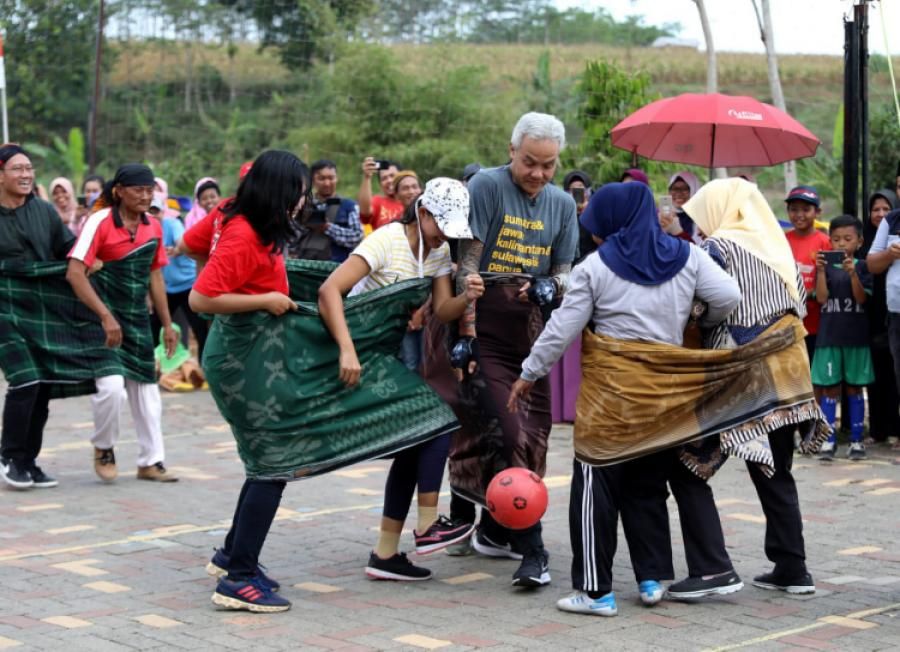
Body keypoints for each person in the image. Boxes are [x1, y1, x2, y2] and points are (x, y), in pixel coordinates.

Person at [506, 182, 741, 616]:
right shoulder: (687, 255)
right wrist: (700, 315)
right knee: (648, 487)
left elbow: (562, 329)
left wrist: (528, 373)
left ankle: (596, 593)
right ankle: (651, 580)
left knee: (595, 488)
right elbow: (729, 297)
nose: (595, 234)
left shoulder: (595, 268)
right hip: (661, 398)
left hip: (610, 402)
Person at [319, 177, 484, 581]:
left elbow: (443, 310)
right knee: (437, 419)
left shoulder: (439, 251)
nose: (448, 233)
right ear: (423, 212)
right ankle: (427, 526)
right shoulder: (385, 241)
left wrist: (468, 297)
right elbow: (329, 291)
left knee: (414, 442)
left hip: (384, 354)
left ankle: (386, 554)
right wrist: (346, 350)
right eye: (442, 222)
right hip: (357, 353)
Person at [449, 111, 578, 588]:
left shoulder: (563, 205)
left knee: (533, 438)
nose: (538, 174)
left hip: (534, 338)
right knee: (504, 430)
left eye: (548, 165)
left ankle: (496, 528)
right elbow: (465, 264)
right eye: (530, 162)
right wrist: (465, 329)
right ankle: (535, 551)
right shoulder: (486, 186)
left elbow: (567, 273)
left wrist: (549, 287)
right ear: (511, 151)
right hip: (486, 331)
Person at [679, 178, 818, 595]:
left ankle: (711, 567)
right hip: (791, 374)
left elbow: (699, 305)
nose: (700, 225)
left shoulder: (717, 250)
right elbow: (802, 305)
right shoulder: (781, 253)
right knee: (775, 471)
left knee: (688, 464)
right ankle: (793, 569)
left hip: (744, 375)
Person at [191, 150, 307, 613]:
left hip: (253, 355)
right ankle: (237, 580)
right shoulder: (241, 235)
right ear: (278, 191)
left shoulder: (262, 232)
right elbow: (201, 298)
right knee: (272, 463)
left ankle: (232, 558)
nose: (302, 200)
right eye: (296, 190)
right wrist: (265, 301)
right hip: (239, 361)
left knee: (264, 462)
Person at [67, 163, 180, 483]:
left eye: (150, 190)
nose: (146, 196)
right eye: (138, 190)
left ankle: (151, 461)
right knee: (111, 388)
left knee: (147, 391)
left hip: (135, 317)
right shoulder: (99, 222)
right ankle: (103, 448)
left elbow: (155, 275)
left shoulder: (153, 227)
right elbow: (75, 272)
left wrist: (168, 324)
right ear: (118, 192)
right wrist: (104, 316)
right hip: (99, 317)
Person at [0, 144, 75, 489]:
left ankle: (28, 461)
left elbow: (69, 250)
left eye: (29, 168)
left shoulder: (44, 211)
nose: (26, 174)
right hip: (4, 309)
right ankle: (9, 456)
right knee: (26, 378)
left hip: (41, 310)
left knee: (42, 384)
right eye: (17, 168)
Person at [813, 215, 873, 461]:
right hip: (829, 336)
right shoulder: (826, 266)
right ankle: (829, 441)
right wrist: (819, 272)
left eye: (847, 239)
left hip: (856, 337)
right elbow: (821, 299)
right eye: (836, 239)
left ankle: (857, 441)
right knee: (829, 388)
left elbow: (862, 298)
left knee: (855, 386)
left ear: (859, 241)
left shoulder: (864, 266)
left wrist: (852, 274)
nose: (841, 244)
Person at [148, 195, 209, 365]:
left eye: (156, 211)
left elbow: (182, 242)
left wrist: (176, 250)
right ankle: (150, 365)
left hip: (187, 285)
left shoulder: (172, 224)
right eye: (149, 212)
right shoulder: (145, 230)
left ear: (162, 212)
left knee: (199, 327)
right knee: (154, 326)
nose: (153, 216)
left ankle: (204, 367)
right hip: (166, 288)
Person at [860, 189, 899, 445]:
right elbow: (871, 264)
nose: (880, 213)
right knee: (891, 373)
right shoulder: (890, 224)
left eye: (885, 208)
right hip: (887, 313)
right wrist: (890, 254)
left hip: (890, 311)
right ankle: (882, 429)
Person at [784, 185, 831, 364]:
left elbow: (832, 280)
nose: (799, 215)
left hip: (818, 324)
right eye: (794, 210)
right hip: (789, 324)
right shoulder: (781, 240)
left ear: (817, 212)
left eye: (806, 209)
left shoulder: (825, 242)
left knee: (816, 378)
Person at [289, 160, 362, 263]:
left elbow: (356, 237)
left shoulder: (349, 206)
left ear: (337, 178)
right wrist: (304, 223)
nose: (327, 183)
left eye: (331, 178)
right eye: (321, 178)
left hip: (336, 266)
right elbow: (289, 237)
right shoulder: (302, 205)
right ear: (312, 180)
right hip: (304, 264)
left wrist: (327, 228)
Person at [358, 157, 402, 230]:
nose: (389, 180)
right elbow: (365, 212)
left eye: (392, 176)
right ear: (380, 184)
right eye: (384, 178)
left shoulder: (411, 201)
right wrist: (367, 177)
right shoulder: (378, 201)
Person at [659, 171, 701, 243]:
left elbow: (698, 252)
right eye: (674, 189)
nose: (678, 194)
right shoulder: (664, 214)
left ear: (694, 190)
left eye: (684, 189)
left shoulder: (700, 218)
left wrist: (678, 232)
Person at [562, 170, 593, 263]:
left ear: (588, 191)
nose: (577, 191)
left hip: (589, 262)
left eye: (580, 187)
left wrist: (588, 211)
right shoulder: (561, 213)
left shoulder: (596, 211)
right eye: (573, 189)